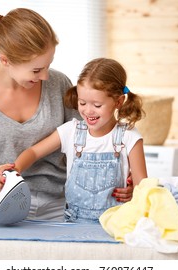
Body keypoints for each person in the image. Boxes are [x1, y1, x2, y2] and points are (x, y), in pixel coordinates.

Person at [0, 8, 133, 221]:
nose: (45, 76)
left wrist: (122, 174)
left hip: (63, 204)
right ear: (5, 60)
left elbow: (89, 138)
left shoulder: (58, 84)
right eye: (36, 70)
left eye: (48, 65)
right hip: (3, 205)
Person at [12, 58, 148, 223]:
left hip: (116, 224)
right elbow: (33, 152)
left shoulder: (129, 136)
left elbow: (143, 187)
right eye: (82, 103)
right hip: (73, 225)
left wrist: (134, 192)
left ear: (118, 102)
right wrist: (16, 168)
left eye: (97, 105)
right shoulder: (71, 131)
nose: (88, 111)